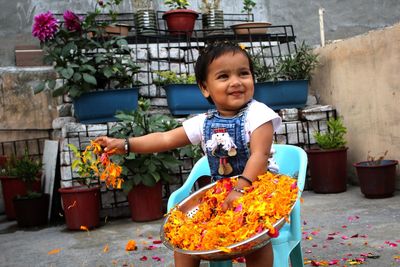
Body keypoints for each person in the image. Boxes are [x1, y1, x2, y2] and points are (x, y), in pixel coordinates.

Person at [95, 41, 282, 267]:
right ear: (205, 88)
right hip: (223, 193)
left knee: (256, 236)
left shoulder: (259, 114)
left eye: (243, 73)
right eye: (223, 77)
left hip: (258, 191)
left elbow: (259, 156)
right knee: (183, 235)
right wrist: (125, 144)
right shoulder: (204, 122)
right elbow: (164, 139)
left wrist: (240, 190)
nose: (236, 82)